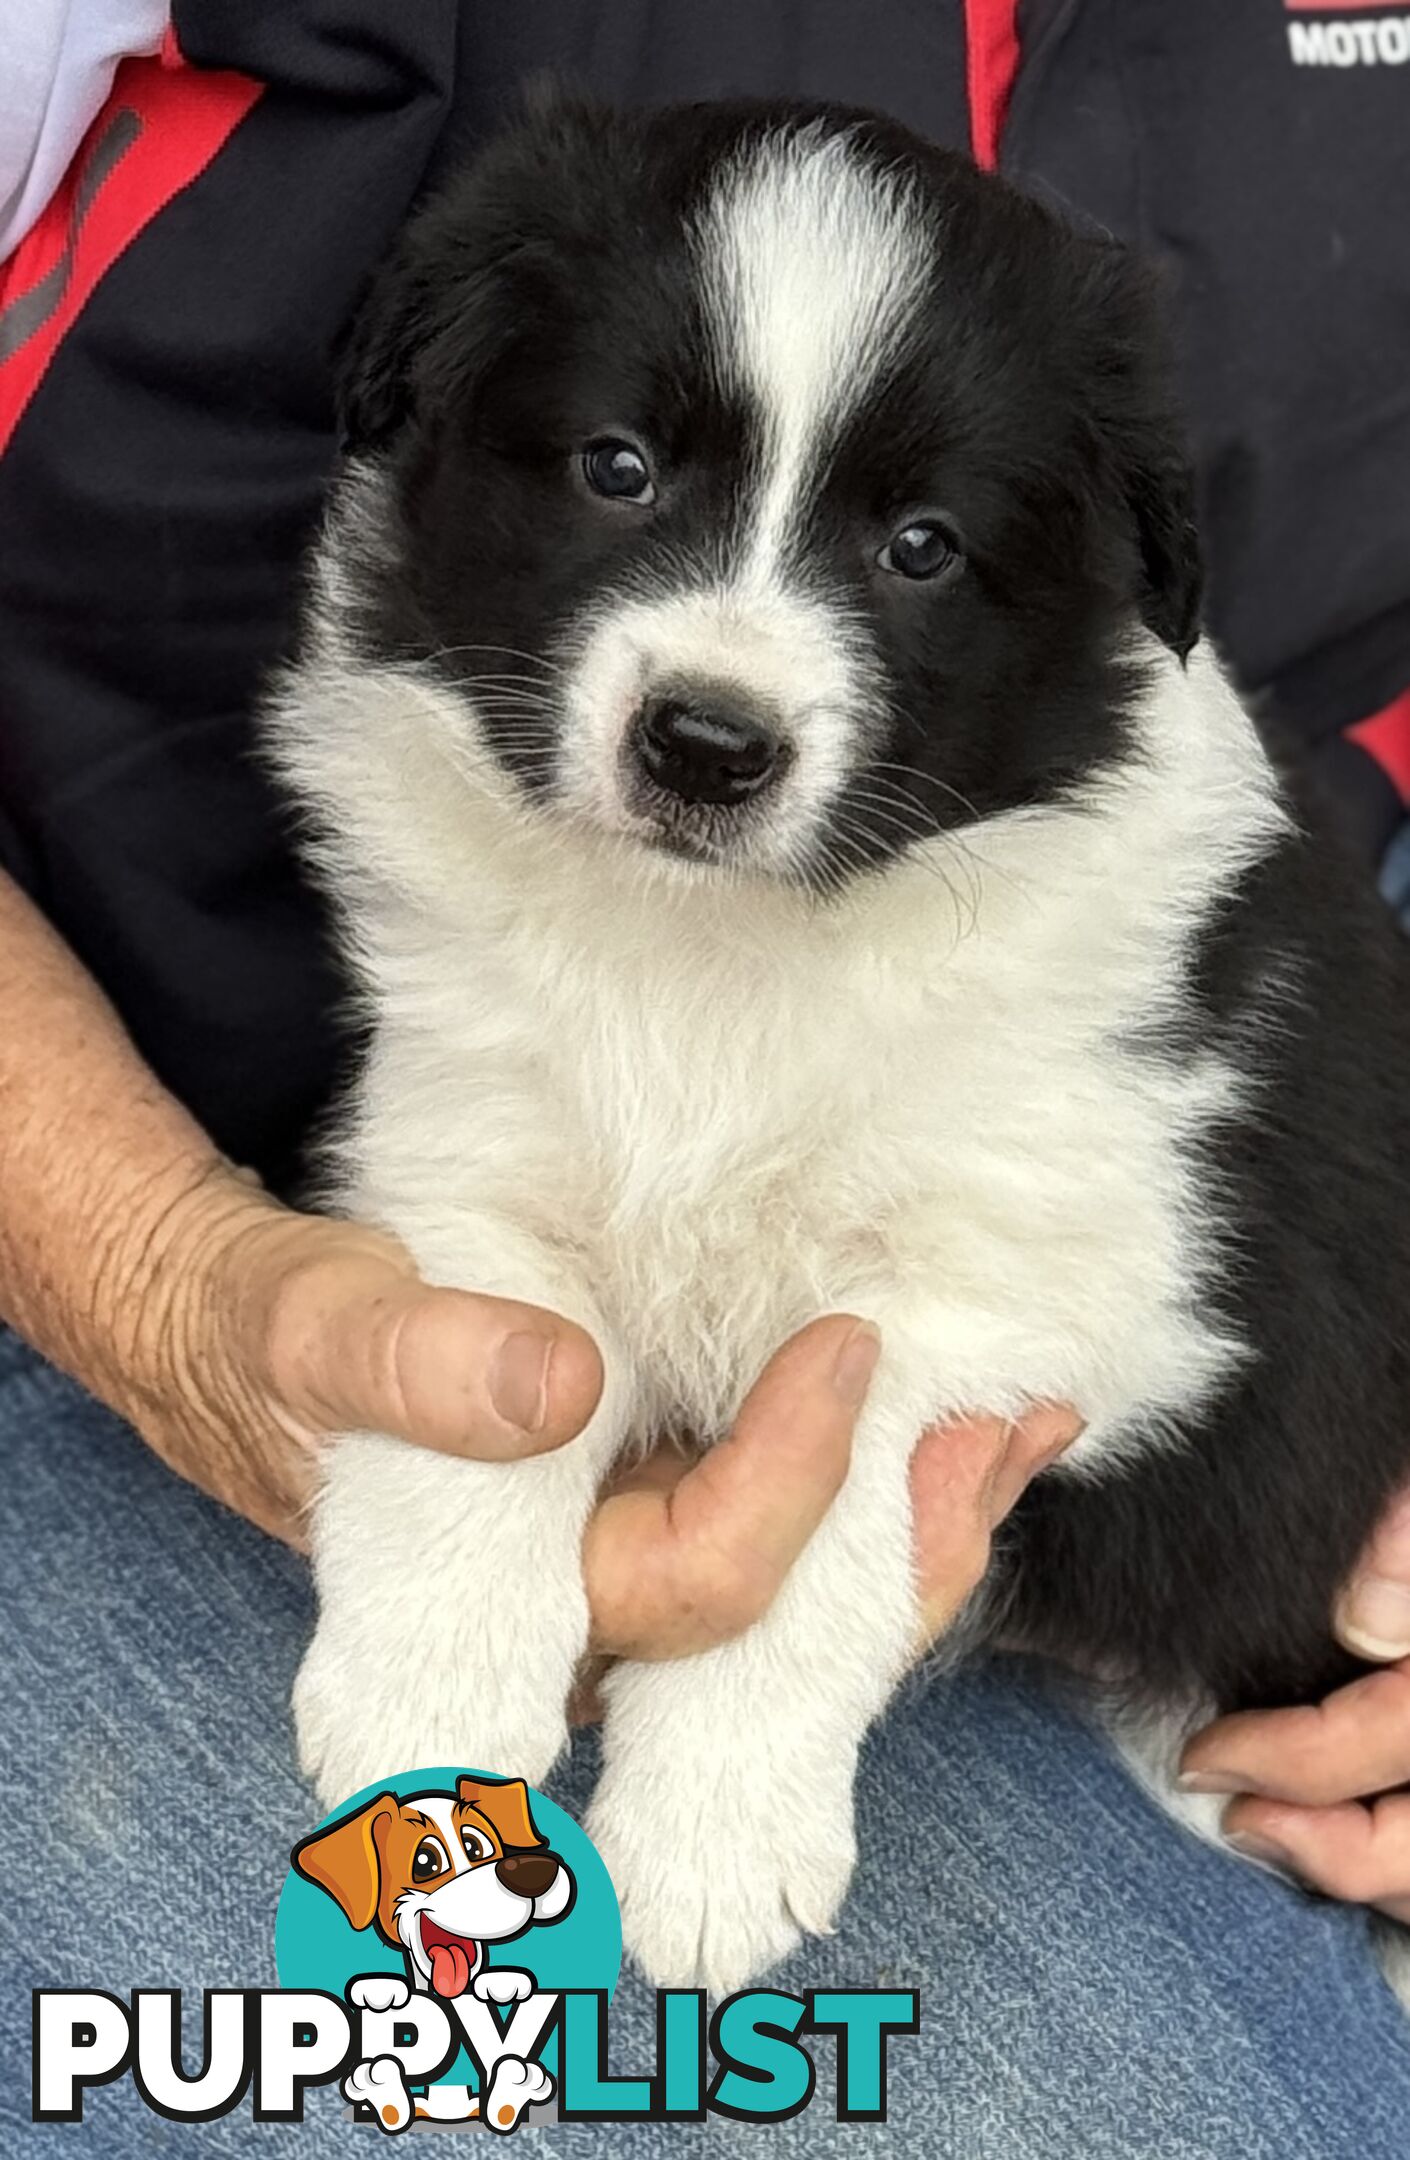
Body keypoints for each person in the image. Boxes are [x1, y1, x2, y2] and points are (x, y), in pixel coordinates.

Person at [1, 6, 1408, 2153]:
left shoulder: (1099, 884)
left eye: (915, 550)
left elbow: (1057, 1273)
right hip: (109, 1207)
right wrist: (162, 1269)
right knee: (603, 2075)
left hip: (1141, 1574)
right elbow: (484, 1189)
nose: (732, 667)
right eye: (624, 469)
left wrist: (800, 1624)